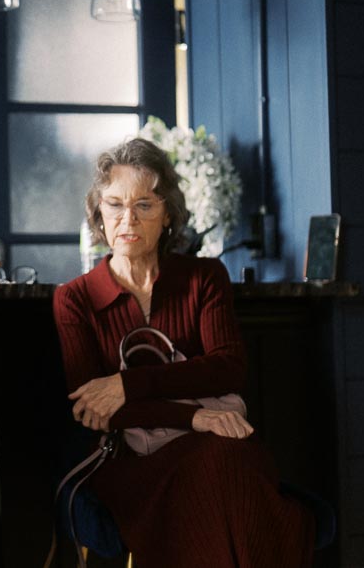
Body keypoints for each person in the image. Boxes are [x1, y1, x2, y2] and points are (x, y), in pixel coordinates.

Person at [53, 138, 314, 567]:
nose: (127, 219)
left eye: (144, 205)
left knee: (227, 465)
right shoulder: (75, 298)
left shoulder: (204, 277)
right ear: (99, 213)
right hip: (129, 460)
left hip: (218, 446)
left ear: (168, 214)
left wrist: (126, 385)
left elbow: (228, 368)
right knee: (220, 470)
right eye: (115, 205)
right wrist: (194, 416)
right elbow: (92, 409)